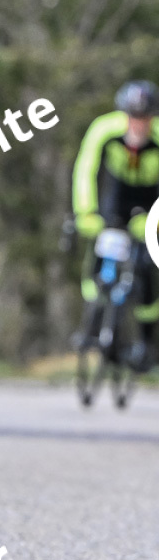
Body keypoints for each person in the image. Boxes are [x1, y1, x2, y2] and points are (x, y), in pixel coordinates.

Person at [72, 80, 159, 369]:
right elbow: (86, 169)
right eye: (133, 117)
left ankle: (147, 342)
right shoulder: (104, 129)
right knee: (100, 259)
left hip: (151, 203)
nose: (139, 124)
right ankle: (94, 326)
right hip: (115, 199)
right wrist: (86, 212)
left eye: (145, 118)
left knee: (146, 266)